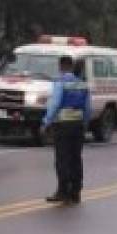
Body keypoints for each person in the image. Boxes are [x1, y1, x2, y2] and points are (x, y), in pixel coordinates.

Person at [41, 55, 91, 204]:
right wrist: (86, 123)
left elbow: (55, 104)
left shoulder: (60, 83)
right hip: (78, 126)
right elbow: (87, 108)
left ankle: (63, 191)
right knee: (76, 158)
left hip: (63, 126)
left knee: (62, 159)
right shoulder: (82, 84)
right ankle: (75, 192)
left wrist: (46, 122)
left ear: (61, 66)